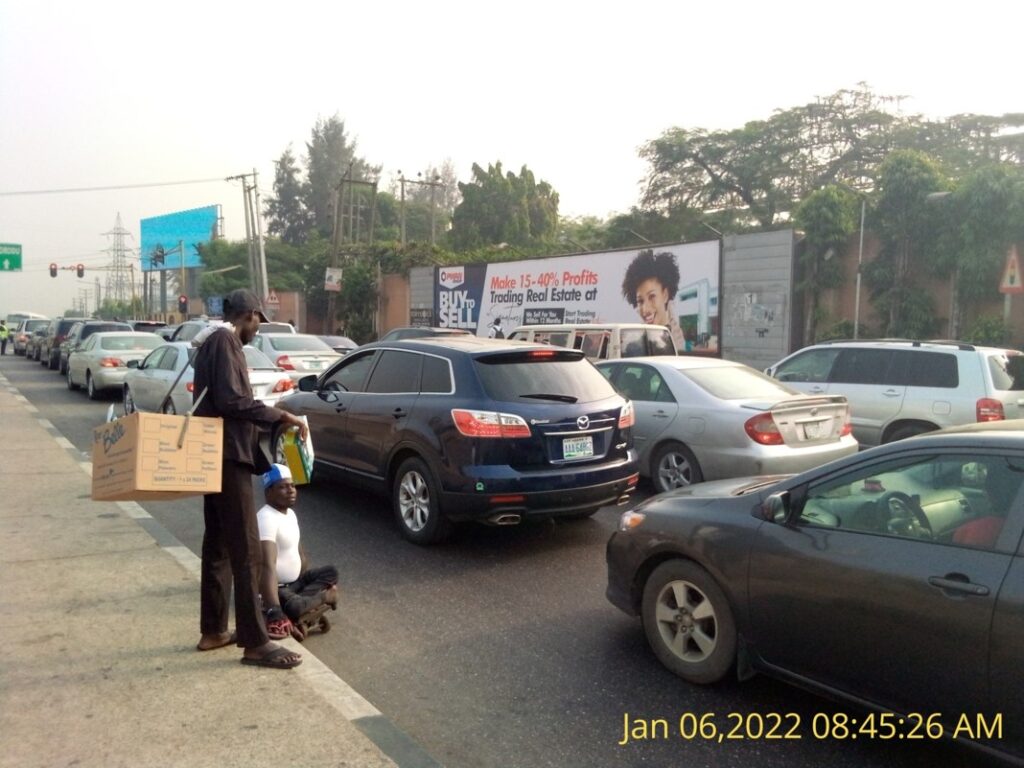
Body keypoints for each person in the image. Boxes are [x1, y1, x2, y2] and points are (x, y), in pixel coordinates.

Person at [192, 288, 310, 669]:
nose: (258, 327)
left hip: (217, 455)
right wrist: (281, 416)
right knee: (246, 552)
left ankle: (213, 631)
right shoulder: (226, 340)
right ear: (250, 314)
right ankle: (256, 642)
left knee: (219, 546)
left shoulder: (213, 340)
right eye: (258, 319)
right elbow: (232, 402)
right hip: (227, 457)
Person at [257, 464, 338, 640]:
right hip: (274, 588)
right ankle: (322, 598)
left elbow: (298, 552)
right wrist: (275, 608)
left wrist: (304, 580)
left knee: (331, 572)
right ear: (269, 492)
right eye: (283, 487)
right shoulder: (266, 519)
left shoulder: (290, 514)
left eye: (292, 486)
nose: (291, 490)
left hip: (295, 584)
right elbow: (266, 565)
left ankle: (303, 602)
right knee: (294, 606)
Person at [620, 249, 686, 352]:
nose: (645, 309)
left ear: (665, 295)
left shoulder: (677, 340)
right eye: (640, 301)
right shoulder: (634, 343)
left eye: (652, 297)